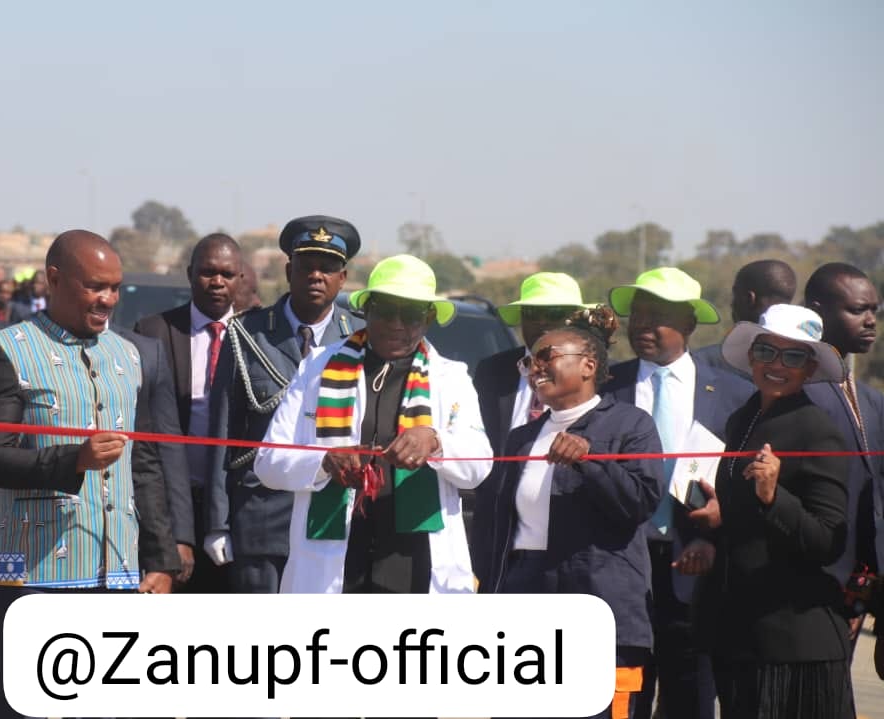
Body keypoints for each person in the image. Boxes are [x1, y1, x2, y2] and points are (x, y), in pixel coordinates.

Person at [0, 230, 181, 719]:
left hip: (120, 578)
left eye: (115, 287)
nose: (108, 299)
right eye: (95, 287)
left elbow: (143, 465)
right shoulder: (5, 352)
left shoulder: (130, 356)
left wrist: (161, 560)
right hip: (37, 579)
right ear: (55, 280)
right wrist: (72, 460)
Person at [254, 254, 492, 593]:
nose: (396, 324)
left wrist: (436, 441)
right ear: (366, 311)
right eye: (385, 311)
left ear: (427, 319)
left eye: (410, 314)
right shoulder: (318, 366)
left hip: (415, 559)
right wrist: (323, 461)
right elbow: (268, 463)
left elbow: (479, 466)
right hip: (334, 560)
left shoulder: (451, 377)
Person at [475, 305, 662, 719]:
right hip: (525, 602)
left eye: (547, 358)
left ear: (588, 365)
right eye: (530, 360)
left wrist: (590, 462)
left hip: (599, 601)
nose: (534, 368)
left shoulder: (629, 425)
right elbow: (496, 524)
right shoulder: (522, 437)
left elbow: (639, 503)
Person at [604, 266, 754, 719]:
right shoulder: (605, 387)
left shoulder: (733, 395)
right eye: (638, 315)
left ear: (689, 324)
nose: (644, 326)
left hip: (696, 570)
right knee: (619, 700)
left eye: (658, 317)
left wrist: (717, 531)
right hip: (620, 569)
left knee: (689, 700)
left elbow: (745, 485)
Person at [693, 303, 853, 718]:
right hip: (742, 635)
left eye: (794, 356)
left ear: (811, 367)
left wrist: (773, 496)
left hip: (794, 647)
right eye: (766, 351)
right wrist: (719, 515)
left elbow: (827, 541)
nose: (776, 365)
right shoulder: (743, 418)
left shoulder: (817, 429)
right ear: (751, 356)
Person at [206, 215, 362, 593]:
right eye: (307, 266)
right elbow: (222, 434)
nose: (316, 276)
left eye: (328, 269)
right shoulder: (247, 333)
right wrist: (218, 522)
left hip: (332, 519)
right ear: (290, 270)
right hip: (262, 516)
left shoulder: (360, 337)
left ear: (343, 278)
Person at [134, 233, 243, 592]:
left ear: (240, 279)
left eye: (226, 274)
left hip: (231, 508)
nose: (217, 282)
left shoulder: (254, 337)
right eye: (207, 272)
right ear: (189, 273)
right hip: (168, 502)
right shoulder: (154, 332)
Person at [472, 272, 590, 581]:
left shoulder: (600, 377)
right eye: (533, 313)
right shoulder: (492, 371)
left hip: (568, 531)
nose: (543, 323)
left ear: (576, 321)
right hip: (499, 530)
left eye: (556, 314)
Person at [801, 263, 884, 649]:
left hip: (859, 588)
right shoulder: (798, 393)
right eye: (857, 310)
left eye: (875, 311)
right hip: (809, 584)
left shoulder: (871, 401)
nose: (870, 321)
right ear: (818, 310)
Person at [695, 259, 797, 378]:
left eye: (735, 296)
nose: (731, 304)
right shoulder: (803, 363)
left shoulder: (706, 362)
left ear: (749, 299)